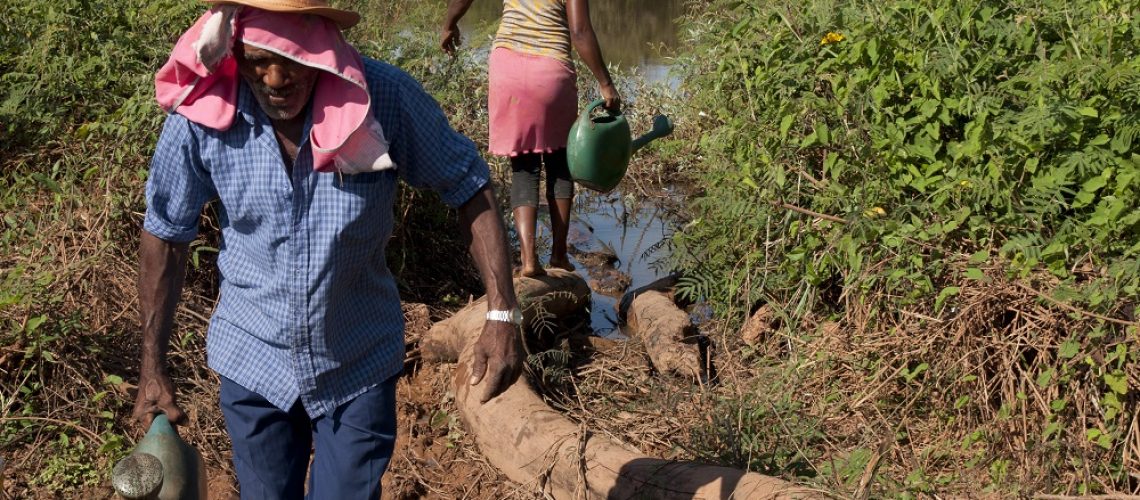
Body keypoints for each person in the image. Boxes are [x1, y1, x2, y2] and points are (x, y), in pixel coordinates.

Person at [133, 1, 525, 498]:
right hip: (252, 361)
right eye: (257, 60)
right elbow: (166, 234)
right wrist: (153, 367)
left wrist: (502, 314)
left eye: (291, 58)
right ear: (232, 46)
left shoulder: (383, 98)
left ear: (321, 46)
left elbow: (468, 185)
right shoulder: (204, 112)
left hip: (355, 361)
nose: (274, 79)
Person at [440, 0, 621, 277]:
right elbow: (580, 31)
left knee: (523, 167)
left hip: (507, 69)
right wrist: (606, 84)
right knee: (560, 165)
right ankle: (559, 256)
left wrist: (449, 25)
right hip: (549, 72)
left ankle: (528, 261)